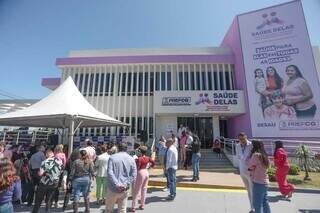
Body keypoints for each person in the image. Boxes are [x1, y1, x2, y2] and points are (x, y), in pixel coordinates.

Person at [106, 142, 137, 213]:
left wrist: (117, 184)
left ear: (117, 148)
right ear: (126, 149)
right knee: (122, 210)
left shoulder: (112, 157)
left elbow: (110, 172)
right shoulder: (131, 158)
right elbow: (134, 174)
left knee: (109, 210)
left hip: (113, 188)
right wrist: (127, 183)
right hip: (125, 188)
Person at [32, 148, 63, 213]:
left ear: (46, 155)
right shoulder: (59, 161)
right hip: (54, 183)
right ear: (52, 154)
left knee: (39, 199)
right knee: (49, 199)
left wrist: (38, 172)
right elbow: (61, 171)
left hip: (45, 183)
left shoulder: (45, 162)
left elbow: (40, 173)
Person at [129, 146, 155, 212]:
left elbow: (138, 167)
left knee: (136, 190)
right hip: (146, 172)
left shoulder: (139, 159)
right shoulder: (148, 158)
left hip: (140, 172)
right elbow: (153, 163)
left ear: (140, 152)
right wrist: (149, 167)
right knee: (144, 189)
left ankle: (133, 207)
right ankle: (142, 205)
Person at [248, 140, 271, 213]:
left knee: (257, 204)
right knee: (265, 202)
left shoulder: (256, 155)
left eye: (252, 145)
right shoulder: (264, 155)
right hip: (265, 182)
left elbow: (250, 167)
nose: (250, 146)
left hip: (258, 182)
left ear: (254, 146)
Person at [236, 132, 254, 213]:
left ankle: (254, 208)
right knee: (248, 191)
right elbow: (238, 157)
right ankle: (251, 207)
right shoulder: (237, 146)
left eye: (243, 139)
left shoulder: (251, 145)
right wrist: (239, 168)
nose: (242, 141)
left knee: (252, 190)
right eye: (240, 139)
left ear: (246, 137)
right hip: (242, 172)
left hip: (250, 172)